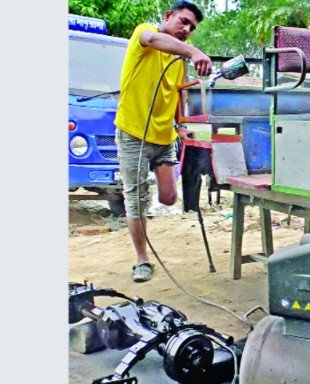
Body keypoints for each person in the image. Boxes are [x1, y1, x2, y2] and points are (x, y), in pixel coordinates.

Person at [114, 0, 212, 282]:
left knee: (169, 198)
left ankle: (144, 186)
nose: (186, 29)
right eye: (183, 21)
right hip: (133, 133)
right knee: (136, 199)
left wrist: (181, 126)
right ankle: (142, 260)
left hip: (164, 135)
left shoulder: (177, 59)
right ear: (168, 16)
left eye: (191, 28)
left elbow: (178, 94)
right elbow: (155, 38)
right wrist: (194, 51)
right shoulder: (144, 33)